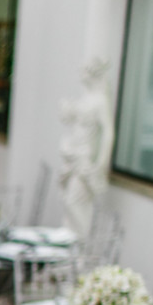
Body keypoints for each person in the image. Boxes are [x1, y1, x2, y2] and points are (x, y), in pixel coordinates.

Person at [58, 58, 113, 238]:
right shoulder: (86, 98)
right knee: (68, 202)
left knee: (73, 202)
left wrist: (102, 162)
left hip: (85, 158)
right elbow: (72, 122)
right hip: (73, 155)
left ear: (92, 73)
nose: (80, 74)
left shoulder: (101, 101)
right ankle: (71, 244)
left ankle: (83, 244)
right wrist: (68, 111)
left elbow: (108, 132)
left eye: (83, 70)